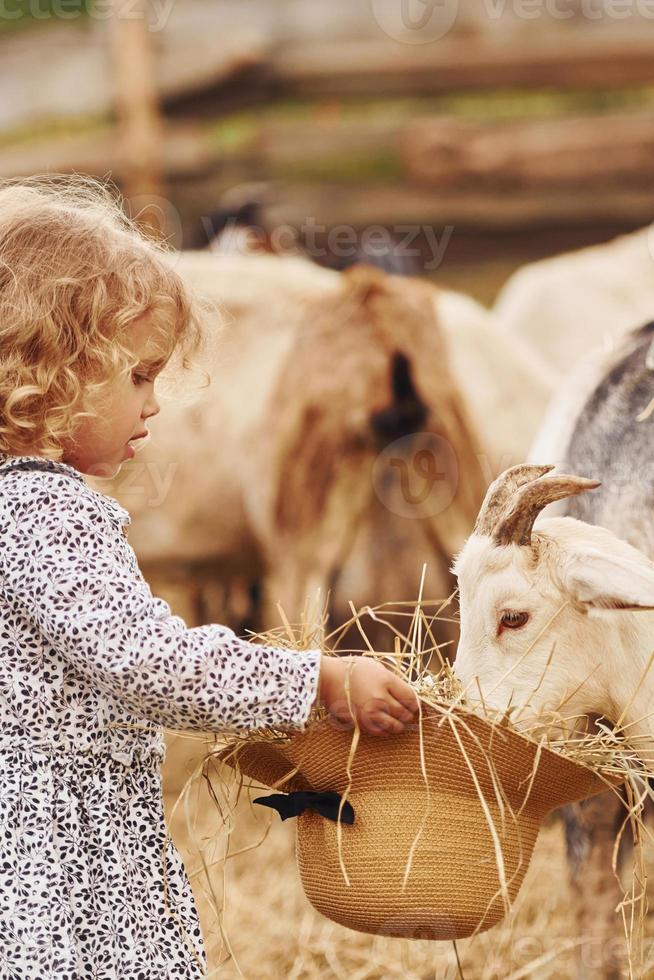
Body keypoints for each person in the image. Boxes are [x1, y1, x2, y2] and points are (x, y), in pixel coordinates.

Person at [0, 176, 419, 978]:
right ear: (49, 369)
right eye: (138, 377)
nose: (155, 404)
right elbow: (150, 663)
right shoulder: (47, 514)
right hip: (62, 867)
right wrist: (315, 679)